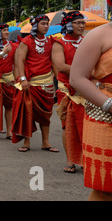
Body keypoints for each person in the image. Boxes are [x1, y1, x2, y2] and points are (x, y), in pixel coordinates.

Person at [70, 0, 112, 201]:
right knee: (105, 189)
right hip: (105, 120)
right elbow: (77, 79)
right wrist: (109, 104)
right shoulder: (98, 36)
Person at [11, 14, 58, 153]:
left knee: (46, 114)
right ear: (36, 25)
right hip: (30, 83)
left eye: (47, 24)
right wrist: (23, 79)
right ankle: (27, 142)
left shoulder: (51, 41)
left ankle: (45, 142)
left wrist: (58, 81)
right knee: (28, 113)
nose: (45, 26)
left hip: (47, 84)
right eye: (43, 23)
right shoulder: (27, 41)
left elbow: (54, 62)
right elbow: (20, 61)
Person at [52, 11, 86, 173]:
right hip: (67, 90)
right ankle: (70, 160)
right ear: (68, 24)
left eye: (82, 23)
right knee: (68, 126)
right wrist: (86, 71)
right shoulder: (59, 43)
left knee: (87, 126)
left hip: (86, 89)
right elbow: (61, 66)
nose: (81, 25)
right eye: (78, 22)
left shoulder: (87, 41)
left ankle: (86, 159)